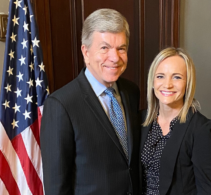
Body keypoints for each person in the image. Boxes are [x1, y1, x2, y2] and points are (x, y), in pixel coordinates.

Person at [40, 9, 140, 195]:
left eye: (121, 48)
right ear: (85, 52)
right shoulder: (61, 105)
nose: (115, 58)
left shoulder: (131, 92)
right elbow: (56, 187)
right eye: (104, 48)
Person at [140, 47, 211, 195]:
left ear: (188, 83)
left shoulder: (201, 129)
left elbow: (206, 190)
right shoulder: (140, 121)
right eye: (160, 76)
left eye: (177, 77)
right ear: (152, 81)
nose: (167, 84)